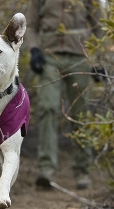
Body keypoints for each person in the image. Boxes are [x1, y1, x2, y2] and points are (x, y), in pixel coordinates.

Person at [25, 0, 105, 189]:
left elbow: (99, 26)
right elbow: (30, 25)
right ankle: (47, 169)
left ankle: (82, 171)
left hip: (80, 58)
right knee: (47, 108)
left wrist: (97, 60)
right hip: (49, 57)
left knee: (81, 113)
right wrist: (34, 49)